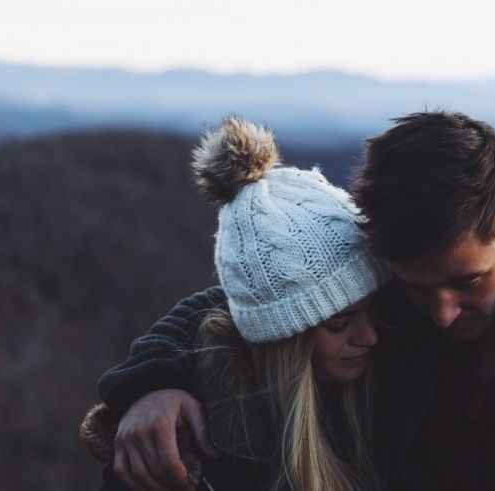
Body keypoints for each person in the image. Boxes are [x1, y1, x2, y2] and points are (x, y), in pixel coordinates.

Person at [97, 111, 495, 490]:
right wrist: (154, 383)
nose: (440, 314)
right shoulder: (381, 301)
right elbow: (243, 303)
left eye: (469, 282)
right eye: (413, 288)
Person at [84, 115, 392, 490]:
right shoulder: (185, 451)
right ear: (283, 339)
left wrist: (150, 378)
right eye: (339, 323)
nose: (370, 337)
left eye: (374, 309)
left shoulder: (397, 360)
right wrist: (151, 382)